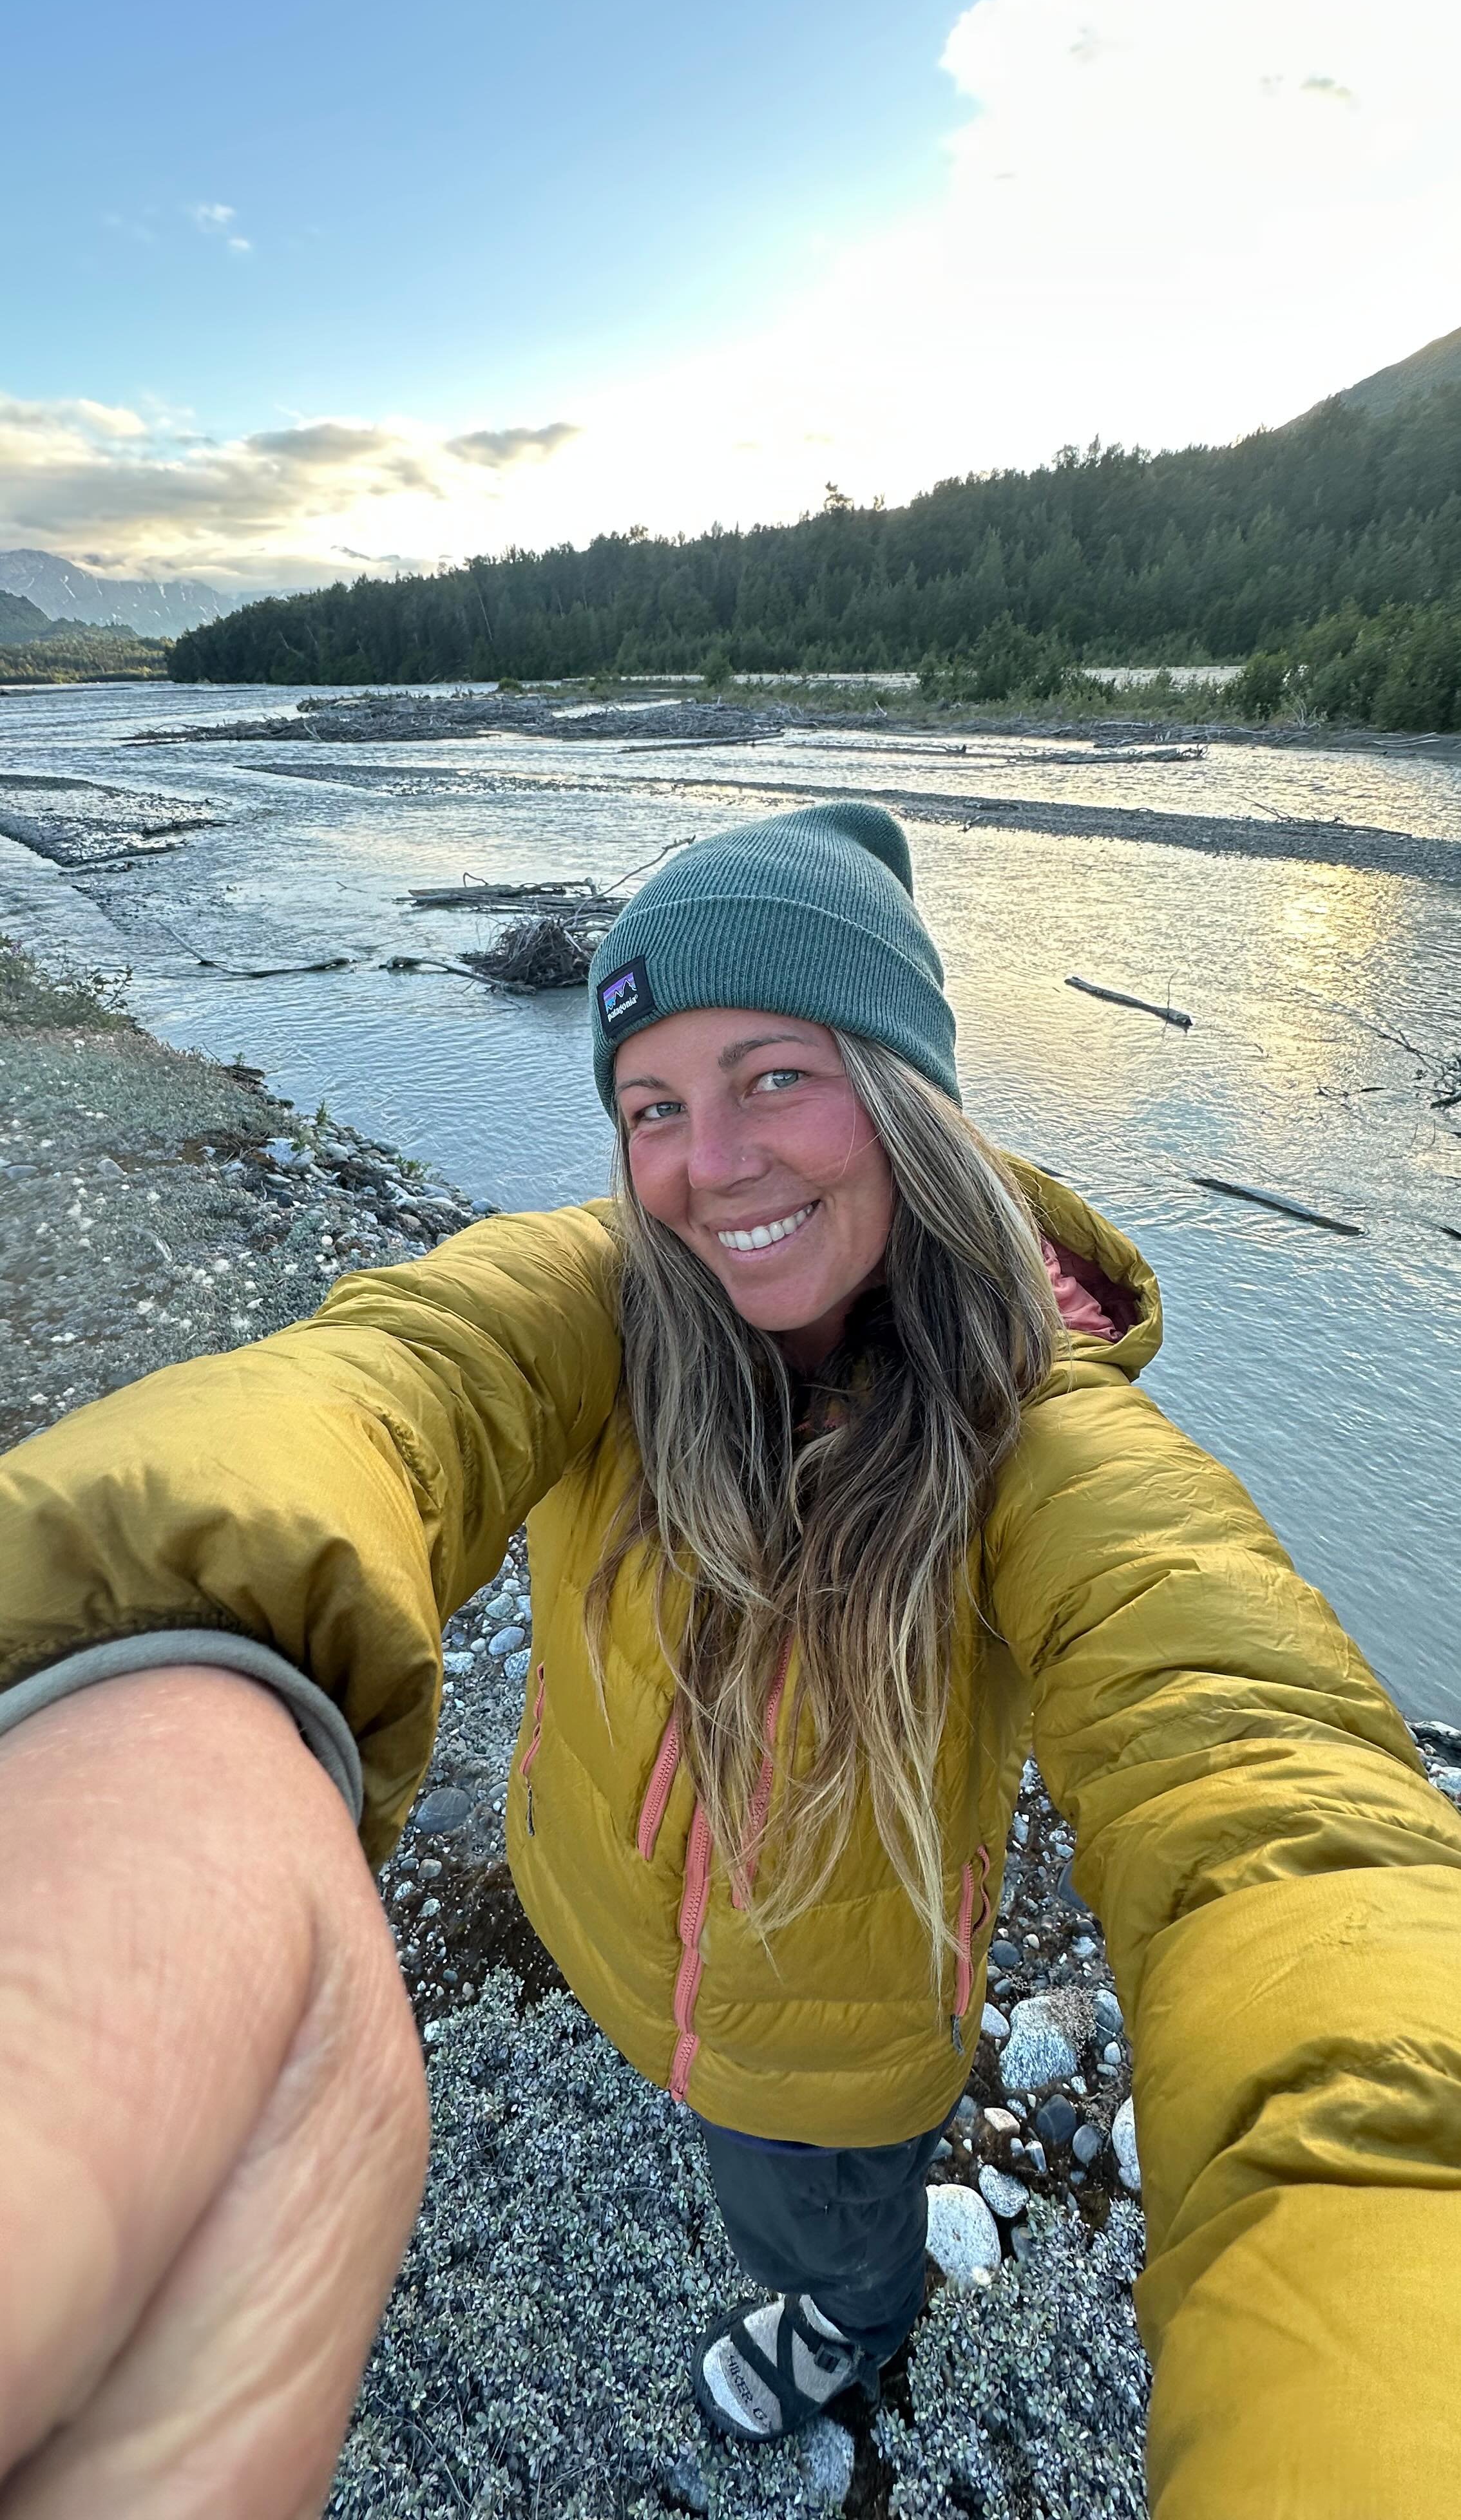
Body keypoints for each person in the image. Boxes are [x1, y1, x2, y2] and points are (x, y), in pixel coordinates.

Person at [0, 800, 1457, 2516]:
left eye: (774, 1077)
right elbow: (384, 1386)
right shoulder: (604, 1303)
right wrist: (175, 1676)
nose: (712, 1163)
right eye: (654, 1108)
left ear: (903, 1091)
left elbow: (1259, 1778)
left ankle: (857, 2321)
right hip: (610, 1939)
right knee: (734, 2165)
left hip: (838, 2054)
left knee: (819, 2225)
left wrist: (1367, 2267)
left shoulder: (1038, 1429)